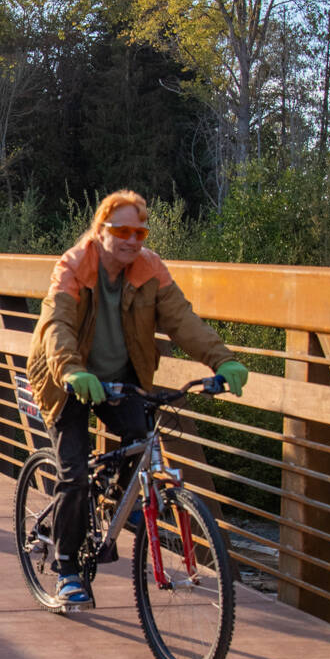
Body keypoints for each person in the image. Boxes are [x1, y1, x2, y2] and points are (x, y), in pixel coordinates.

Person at [26, 190, 248, 608]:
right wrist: (72, 370)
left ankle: (115, 506)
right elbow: (56, 324)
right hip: (65, 377)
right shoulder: (74, 265)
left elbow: (183, 320)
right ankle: (67, 566)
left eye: (139, 232)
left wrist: (223, 360)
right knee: (73, 475)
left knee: (141, 437)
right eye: (122, 230)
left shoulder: (149, 269)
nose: (132, 240)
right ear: (101, 229)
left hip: (120, 380)